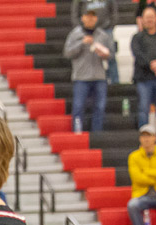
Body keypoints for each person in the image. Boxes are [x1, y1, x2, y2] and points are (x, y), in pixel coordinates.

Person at [64, 4, 112, 133]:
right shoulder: (75, 34)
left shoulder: (102, 35)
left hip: (99, 76)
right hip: (81, 77)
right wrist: (81, 43)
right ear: (82, 18)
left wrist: (104, 54)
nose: (90, 19)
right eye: (87, 16)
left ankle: (97, 134)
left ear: (96, 19)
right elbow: (67, 53)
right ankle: (77, 132)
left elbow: (111, 54)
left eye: (93, 17)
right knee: (78, 107)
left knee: (100, 107)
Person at [128, 123, 156, 225]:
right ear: (140, 139)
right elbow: (137, 178)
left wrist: (146, 171)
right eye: (143, 136)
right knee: (132, 205)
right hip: (142, 195)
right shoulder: (133, 156)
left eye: (149, 135)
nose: (146, 139)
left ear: (155, 138)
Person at [72, 0, 121, 82]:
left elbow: (114, 12)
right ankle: (87, 80)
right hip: (87, 30)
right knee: (87, 55)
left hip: (106, 29)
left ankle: (115, 81)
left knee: (111, 56)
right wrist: (81, 28)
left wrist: (111, 25)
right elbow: (75, 13)